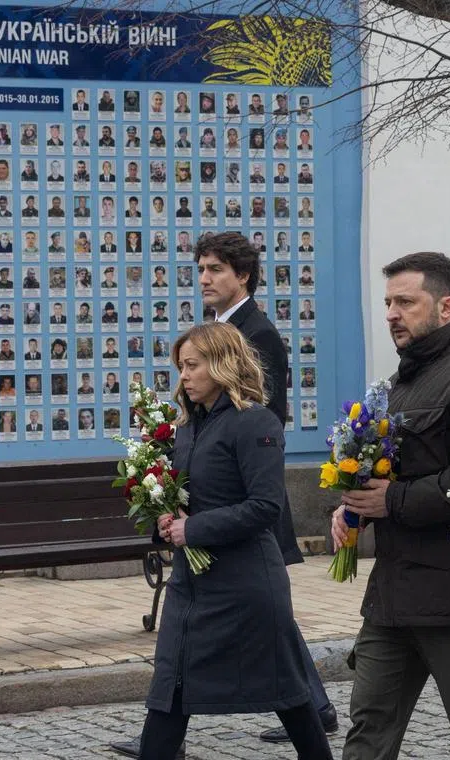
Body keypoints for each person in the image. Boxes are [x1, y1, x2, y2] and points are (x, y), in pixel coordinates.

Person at [109, 234, 337, 758]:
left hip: (244, 581)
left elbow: (265, 504)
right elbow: (183, 484)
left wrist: (195, 528)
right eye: (180, 367)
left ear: (224, 364)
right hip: (194, 580)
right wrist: (165, 512)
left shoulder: (253, 420)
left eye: (191, 366)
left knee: (290, 694)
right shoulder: (187, 425)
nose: (183, 376)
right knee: (169, 688)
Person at [332, 252, 450, 760]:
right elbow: (387, 471)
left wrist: (391, 500)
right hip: (391, 602)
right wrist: (353, 506)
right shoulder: (398, 384)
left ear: (445, 308)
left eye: (405, 302)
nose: (391, 313)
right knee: (367, 735)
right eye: (388, 302)